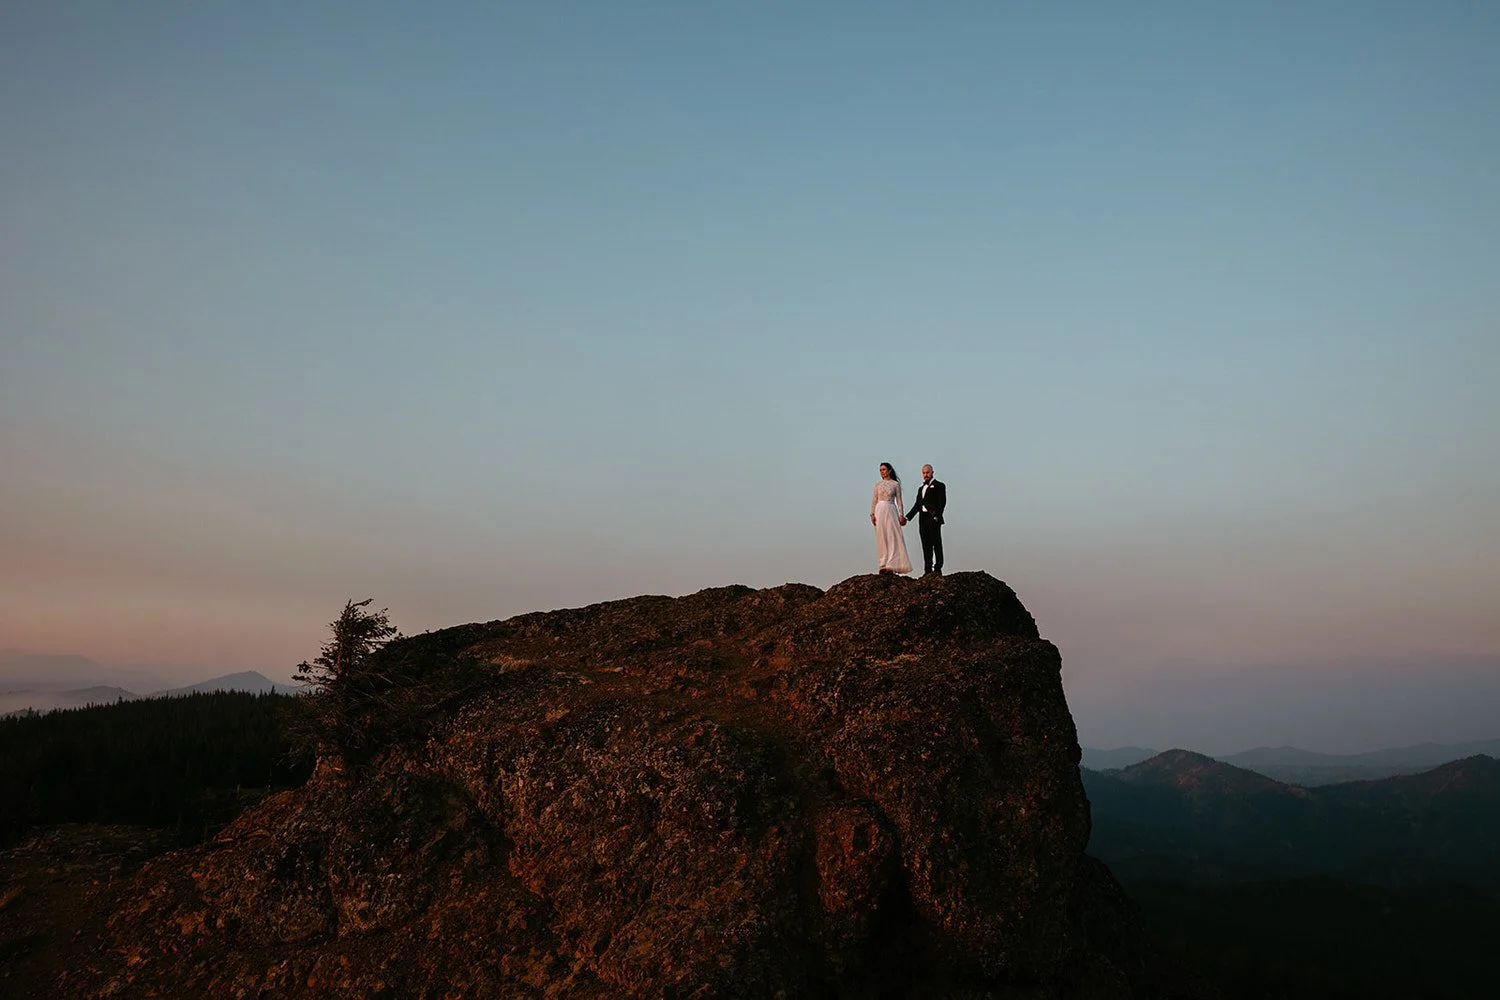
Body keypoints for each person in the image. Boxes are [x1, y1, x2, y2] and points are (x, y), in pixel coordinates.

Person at [870, 462, 913, 574]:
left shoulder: (895, 484)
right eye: (880, 470)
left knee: (891, 536)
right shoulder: (877, 485)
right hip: (879, 510)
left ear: (889, 470)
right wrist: (872, 514)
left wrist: (901, 514)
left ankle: (891, 563)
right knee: (881, 536)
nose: (882, 472)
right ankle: (883, 563)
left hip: (891, 509)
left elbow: (899, 500)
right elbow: (874, 500)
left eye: (884, 469)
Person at [905, 463, 947, 576]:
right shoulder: (920, 489)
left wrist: (937, 516)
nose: (925, 475)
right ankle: (927, 569)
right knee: (926, 544)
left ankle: (938, 568)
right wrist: (907, 518)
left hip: (933, 518)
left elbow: (942, 502)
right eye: (924, 473)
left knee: (936, 543)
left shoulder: (940, 485)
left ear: (932, 472)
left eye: (927, 472)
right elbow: (917, 505)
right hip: (922, 519)